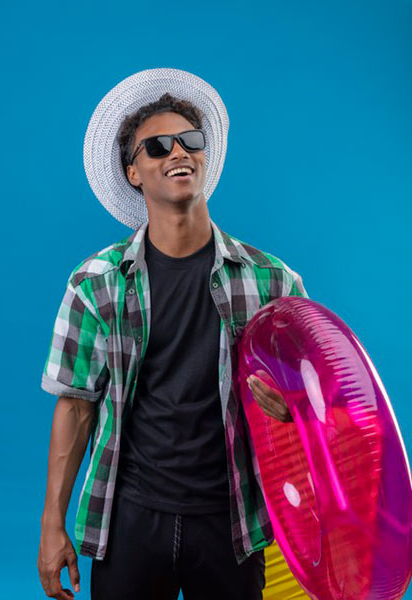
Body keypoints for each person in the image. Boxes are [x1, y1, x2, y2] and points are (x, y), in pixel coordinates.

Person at [36, 69, 310, 600]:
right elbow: (75, 406)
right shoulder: (96, 284)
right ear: (133, 171)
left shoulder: (275, 281)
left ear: (205, 156)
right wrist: (52, 526)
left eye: (191, 140)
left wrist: (291, 403)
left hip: (234, 522)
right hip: (131, 519)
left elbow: (318, 406)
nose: (177, 152)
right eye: (157, 146)